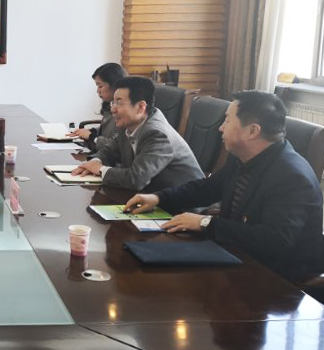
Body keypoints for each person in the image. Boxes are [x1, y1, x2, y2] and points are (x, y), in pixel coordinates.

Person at [124, 90, 323, 282]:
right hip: (235, 253)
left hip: (275, 278)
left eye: (227, 120)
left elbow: (274, 241)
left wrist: (205, 223)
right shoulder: (243, 157)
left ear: (252, 131)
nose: (221, 128)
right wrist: (158, 198)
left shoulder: (291, 176)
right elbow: (206, 188)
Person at [73, 76, 204, 191]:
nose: (112, 109)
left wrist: (100, 169)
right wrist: (94, 162)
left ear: (141, 107)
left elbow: (136, 179)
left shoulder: (157, 134)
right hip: (150, 196)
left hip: (182, 205)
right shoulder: (128, 124)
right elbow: (109, 151)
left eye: (119, 102)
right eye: (113, 102)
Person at [68, 62, 127, 152]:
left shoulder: (125, 112)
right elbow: (107, 130)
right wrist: (92, 131)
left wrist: (91, 136)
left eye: (100, 86)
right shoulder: (110, 105)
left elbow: (115, 146)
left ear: (114, 85)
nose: (98, 91)